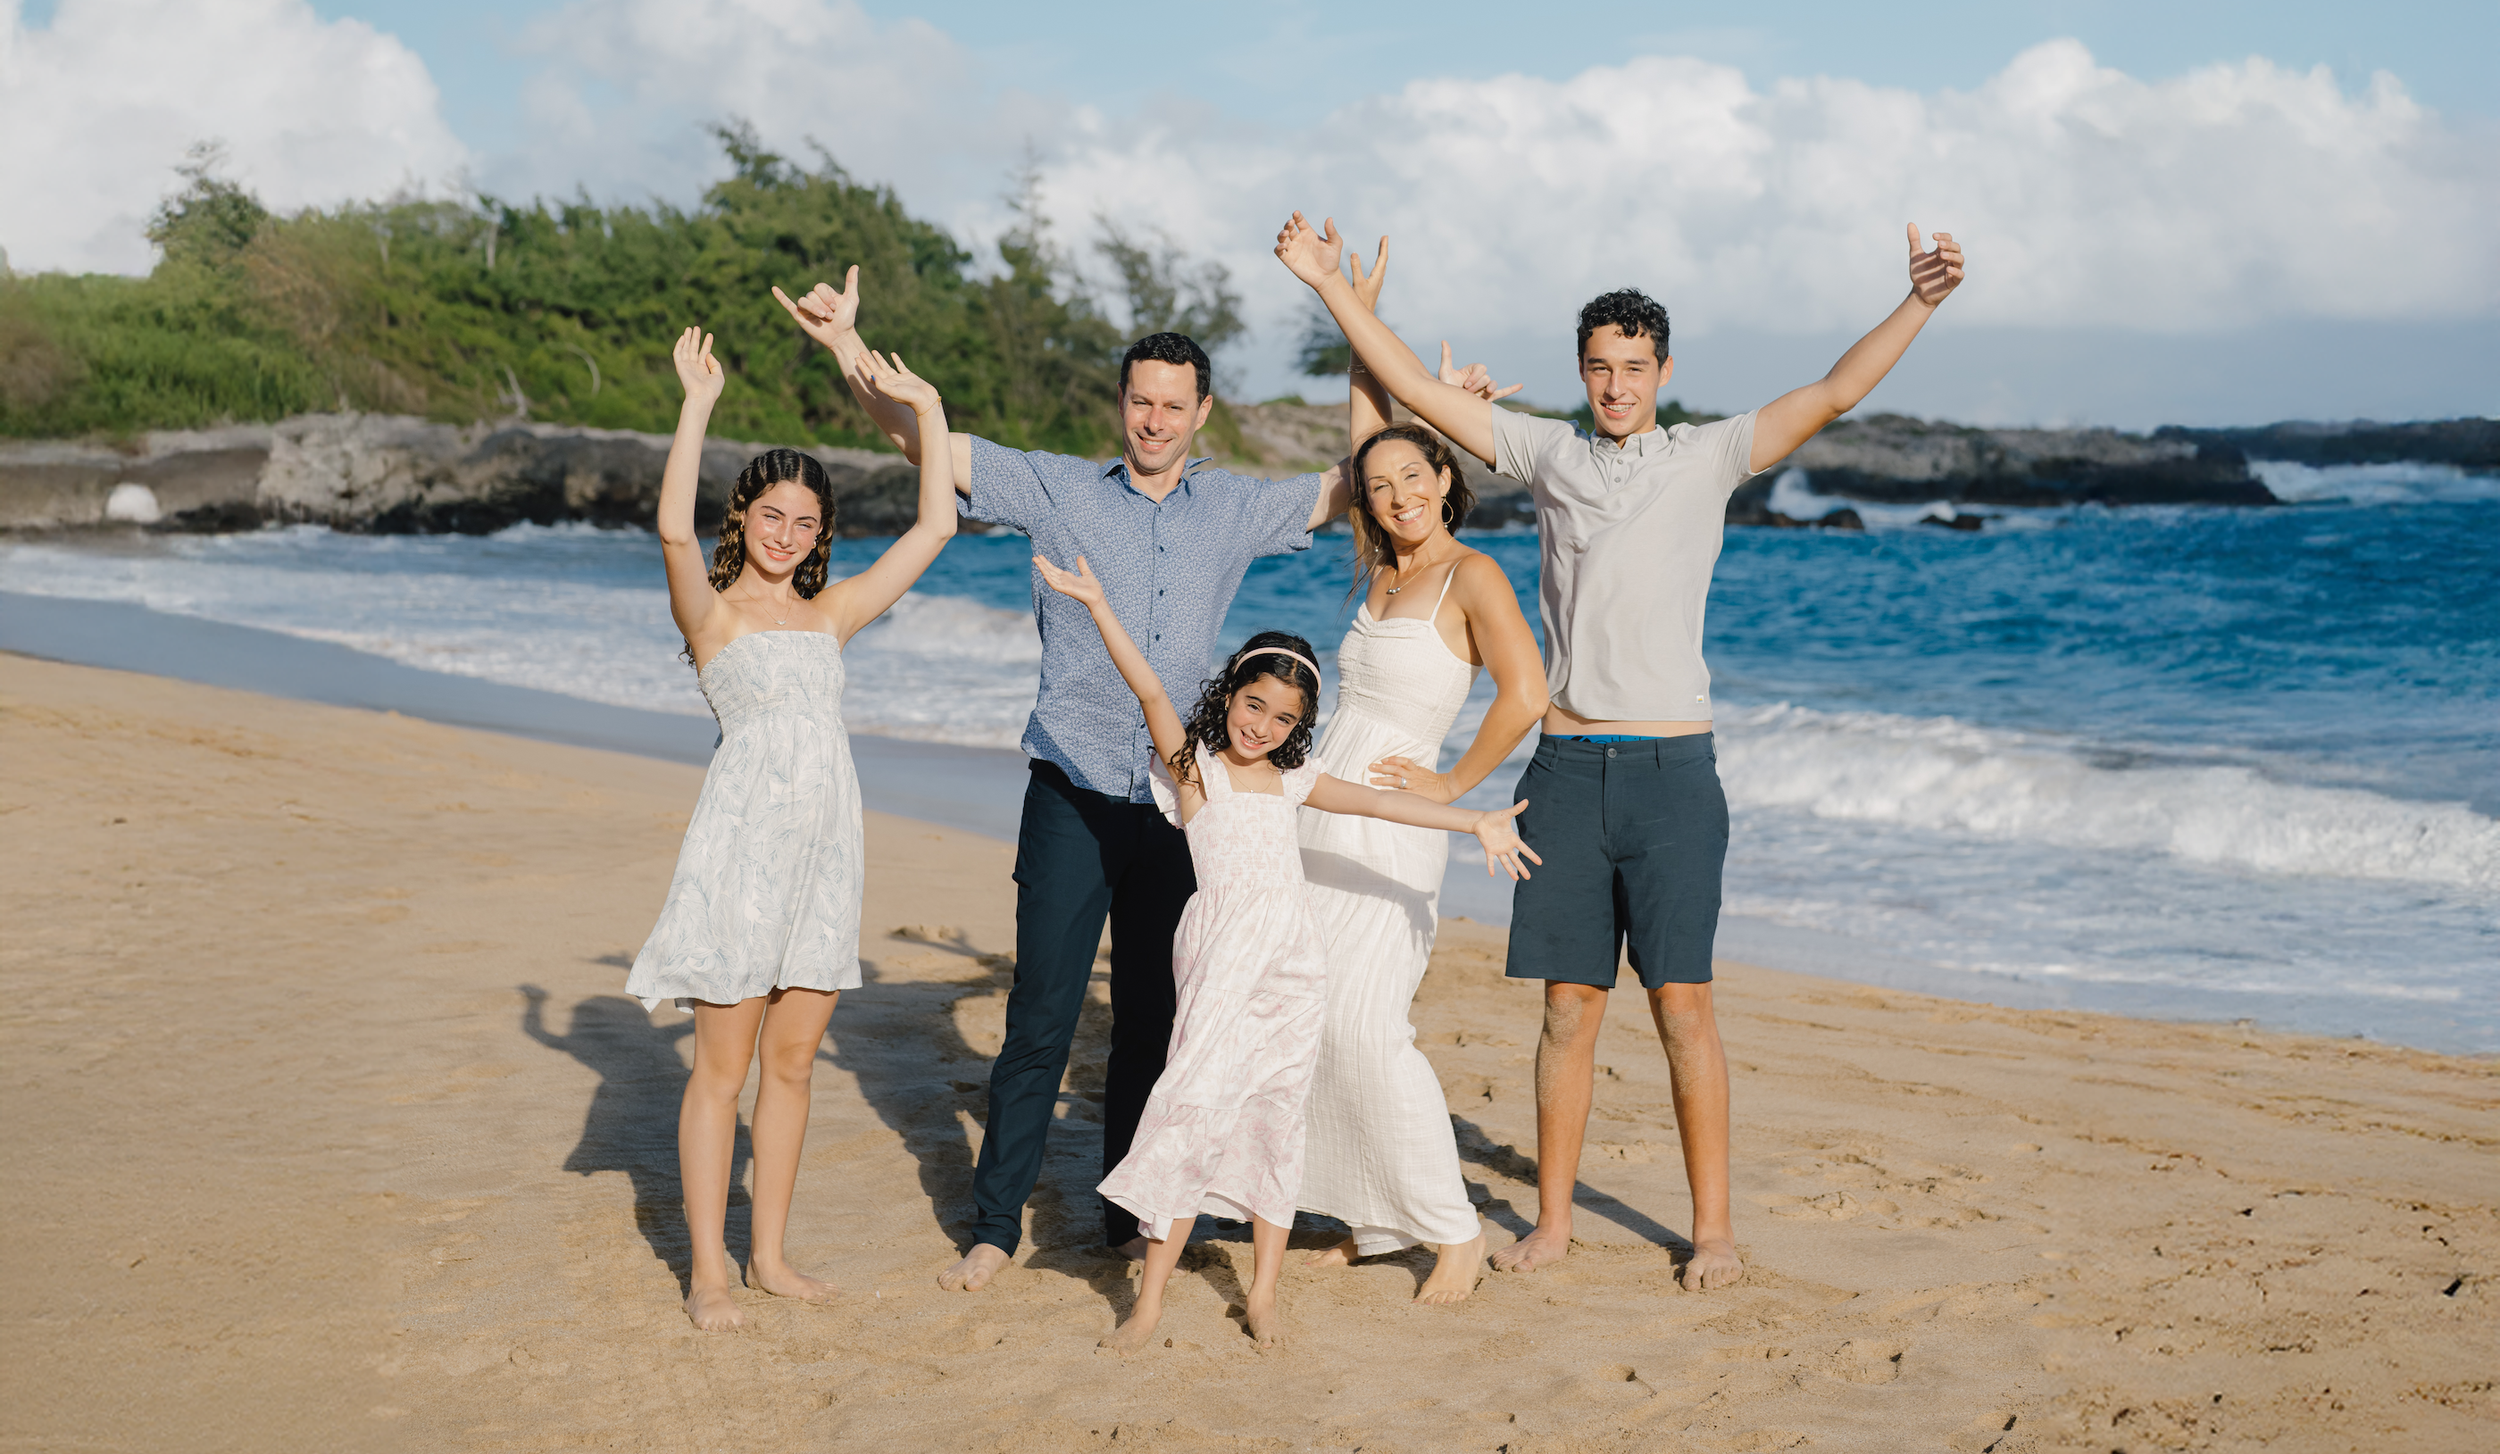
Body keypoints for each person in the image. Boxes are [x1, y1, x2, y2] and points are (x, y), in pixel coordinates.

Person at [1277, 211, 1966, 1292]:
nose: (1615, 385)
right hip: (1563, 772)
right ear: (1582, 372)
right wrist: (1330, 288)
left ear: (1663, 372)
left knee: (1683, 1006)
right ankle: (1552, 1223)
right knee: (1567, 1008)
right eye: (1599, 367)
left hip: (1673, 777)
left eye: (1633, 368)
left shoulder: (1710, 454)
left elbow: (1835, 391)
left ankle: (1714, 1231)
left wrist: (1919, 301)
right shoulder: (1548, 452)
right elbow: (1408, 389)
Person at [772, 273, 1351, 1292]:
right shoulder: (1057, 489)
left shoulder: (1236, 506)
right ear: (1120, 402)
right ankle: (995, 1226)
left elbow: (1359, 481)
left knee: (1151, 1020)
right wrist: (847, 347)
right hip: (1072, 788)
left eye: (1173, 404)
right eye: (1140, 400)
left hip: (1180, 805)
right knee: (1039, 1017)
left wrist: (1387, 364)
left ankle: (1127, 1217)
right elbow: (920, 439)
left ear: (1202, 412)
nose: (1154, 420)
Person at [1030, 553, 1539, 1352]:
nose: (1261, 725)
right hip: (1220, 960)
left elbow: (1380, 804)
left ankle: (1263, 1295)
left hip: (1294, 965)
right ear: (1229, 694)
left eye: (1282, 718)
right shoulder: (1195, 772)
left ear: (1300, 729)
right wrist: (1097, 604)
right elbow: (1151, 690)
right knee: (1190, 1109)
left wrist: (1473, 818)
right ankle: (1149, 1304)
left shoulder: (1296, 781)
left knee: (1275, 1117)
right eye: (1253, 703)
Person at [625, 326, 958, 1329]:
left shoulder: (833, 614)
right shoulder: (713, 617)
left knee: (794, 1063)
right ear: (744, 515)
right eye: (771, 514)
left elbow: (935, 526)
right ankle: (709, 1272)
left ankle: (768, 1256)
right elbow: (672, 533)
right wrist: (697, 405)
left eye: (805, 521)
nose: (786, 533)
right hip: (739, 862)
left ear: (822, 534)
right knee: (721, 1071)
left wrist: (929, 412)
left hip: (823, 861)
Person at [1290, 242, 1549, 1304]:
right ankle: (1377, 1217)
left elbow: (1526, 692)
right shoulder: (1382, 563)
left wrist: (1454, 785)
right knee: (1310, 1015)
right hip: (1320, 804)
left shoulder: (1470, 575)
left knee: (1367, 1024)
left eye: (1416, 477)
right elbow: (1370, 442)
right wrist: (1352, 315)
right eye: (1382, 485)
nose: (1396, 493)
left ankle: (1454, 1229)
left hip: (1394, 819)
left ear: (1449, 480)